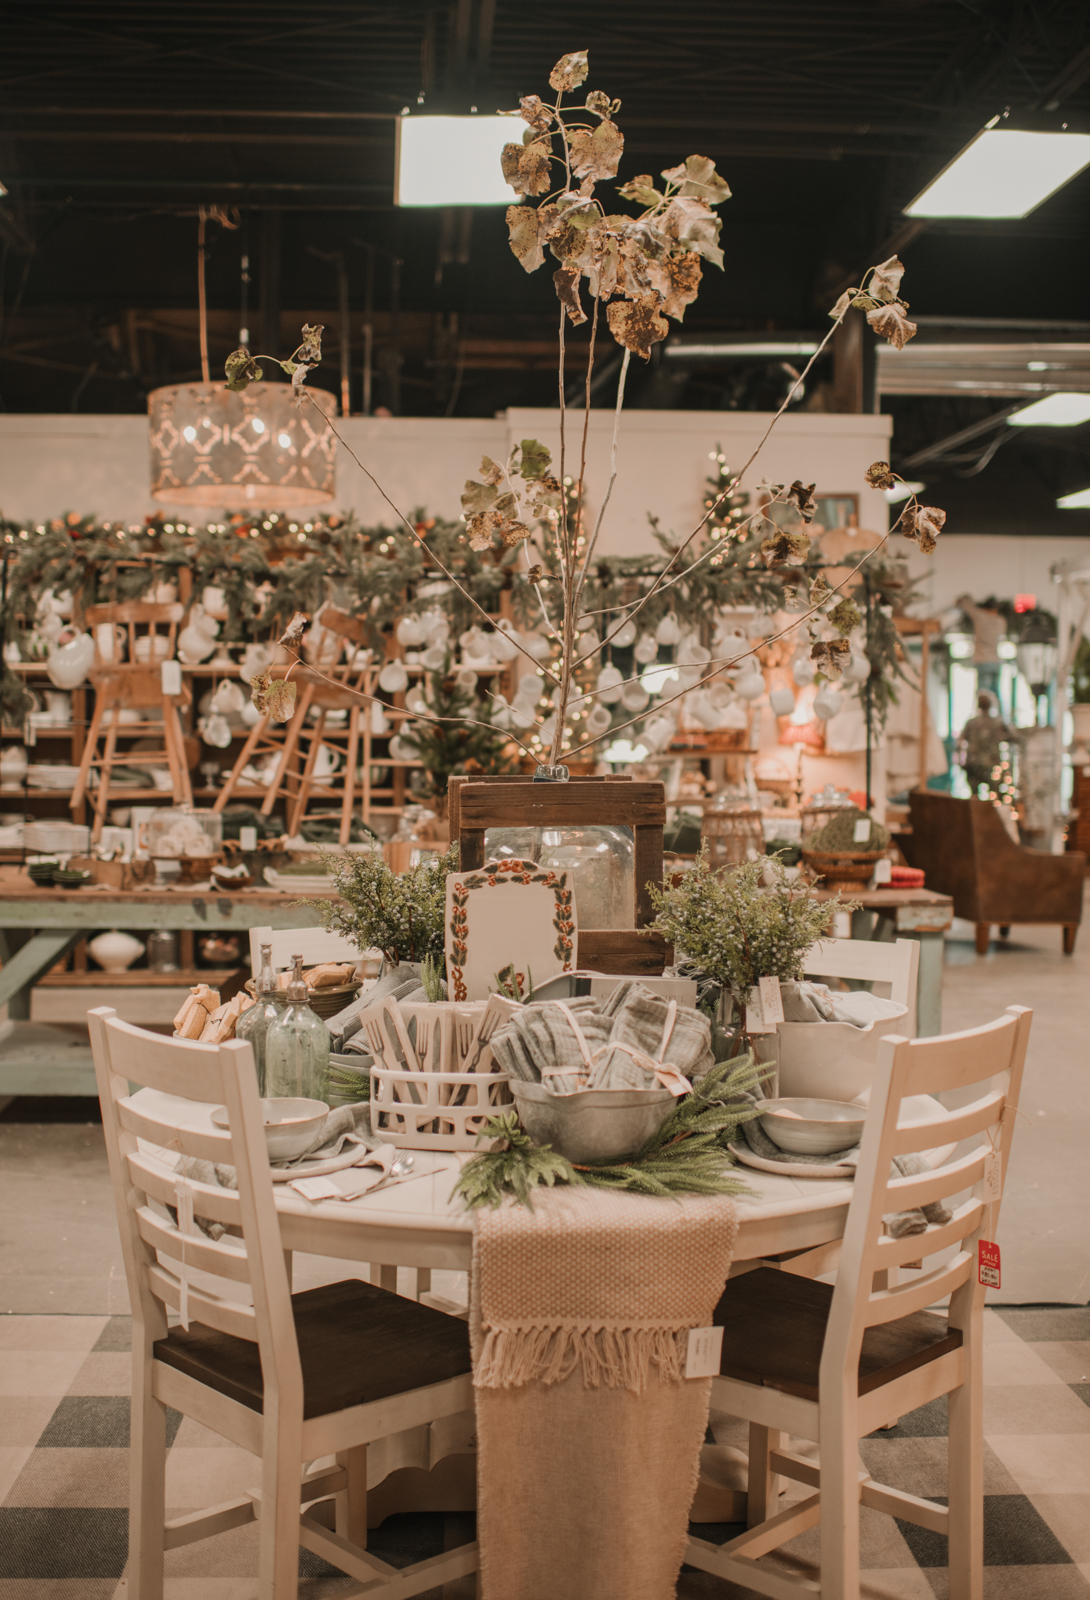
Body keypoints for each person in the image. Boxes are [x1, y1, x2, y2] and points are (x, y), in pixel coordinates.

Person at [957, 690, 1013, 796]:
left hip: (974, 763)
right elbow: (1012, 737)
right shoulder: (997, 723)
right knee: (993, 796)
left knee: (974, 796)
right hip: (991, 763)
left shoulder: (971, 723)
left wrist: (961, 761)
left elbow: (960, 742)